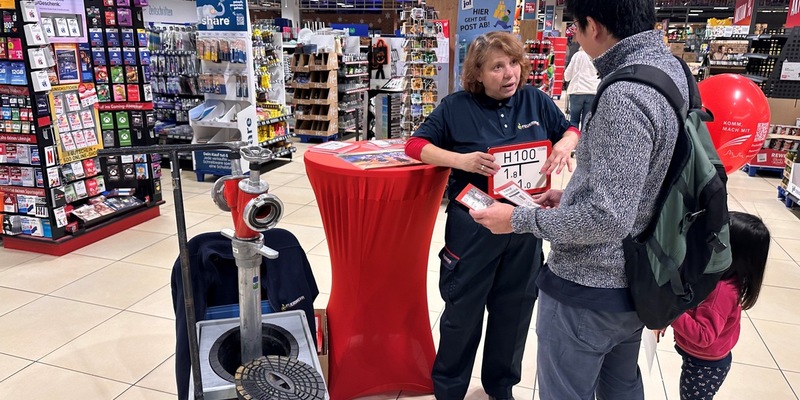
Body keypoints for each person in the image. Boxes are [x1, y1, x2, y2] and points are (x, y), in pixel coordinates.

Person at [469, 1, 690, 399]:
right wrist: (572, 195)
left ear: (593, 25)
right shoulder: (669, 69)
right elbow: (640, 179)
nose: (573, 33)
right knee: (621, 387)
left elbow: (608, 217)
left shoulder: (625, 95)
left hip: (591, 286)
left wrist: (518, 220)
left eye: (574, 25)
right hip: (638, 276)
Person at [404, 31, 579, 400]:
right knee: (462, 313)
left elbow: (570, 129)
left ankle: (501, 387)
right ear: (478, 74)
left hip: (525, 224)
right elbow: (415, 145)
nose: (509, 73)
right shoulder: (455, 107)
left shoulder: (535, 100)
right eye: (497, 67)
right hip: (474, 226)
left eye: (513, 63)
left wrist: (566, 142)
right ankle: (449, 389)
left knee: (515, 311)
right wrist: (461, 161)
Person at [657, 211, 769, 400]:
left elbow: (704, 335)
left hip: (705, 367)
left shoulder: (721, 293)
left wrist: (672, 313)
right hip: (702, 360)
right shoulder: (719, 279)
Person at [563, 47, 600, 128]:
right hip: (592, 91)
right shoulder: (596, 56)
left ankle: (574, 135)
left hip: (577, 91)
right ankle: (583, 136)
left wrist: (567, 78)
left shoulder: (577, 55)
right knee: (586, 121)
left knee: (574, 120)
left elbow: (567, 76)